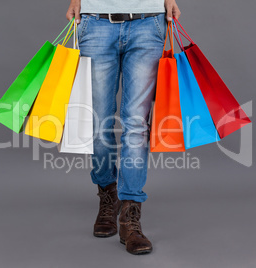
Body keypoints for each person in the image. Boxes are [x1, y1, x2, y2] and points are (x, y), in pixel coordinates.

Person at [65, 0, 181, 255]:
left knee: (137, 124)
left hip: (148, 21)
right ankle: (108, 193)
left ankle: (130, 215)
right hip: (95, 21)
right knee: (98, 122)